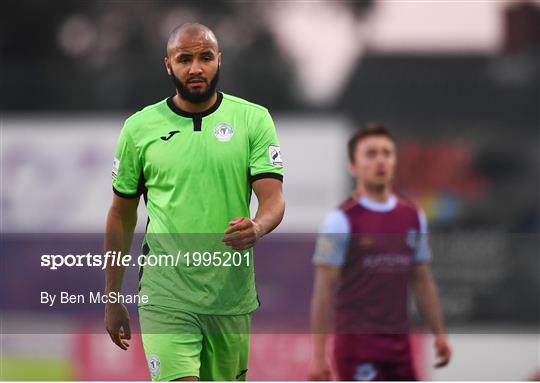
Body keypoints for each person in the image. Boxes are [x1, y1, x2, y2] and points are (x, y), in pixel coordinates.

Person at [104, 23, 285, 381]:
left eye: (205, 57)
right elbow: (120, 215)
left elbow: (273, 198)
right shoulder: (139, 129)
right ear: (168, 65)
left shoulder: (253, 120)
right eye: (184, 59)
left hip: (230, 298)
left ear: (219, 60)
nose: (196, 68)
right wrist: (112, 296)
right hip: (165, 293)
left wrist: (258, 226)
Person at [308, 124, 451, 381]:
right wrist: (319, 356)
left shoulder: (413, 217)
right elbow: (323, 292)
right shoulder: (340, 221)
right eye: (371, 154)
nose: (380, 161)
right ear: (354, 166)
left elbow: (422, 279)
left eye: (387, 153)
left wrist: (439, 332)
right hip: (357, 346)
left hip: (400, 348)